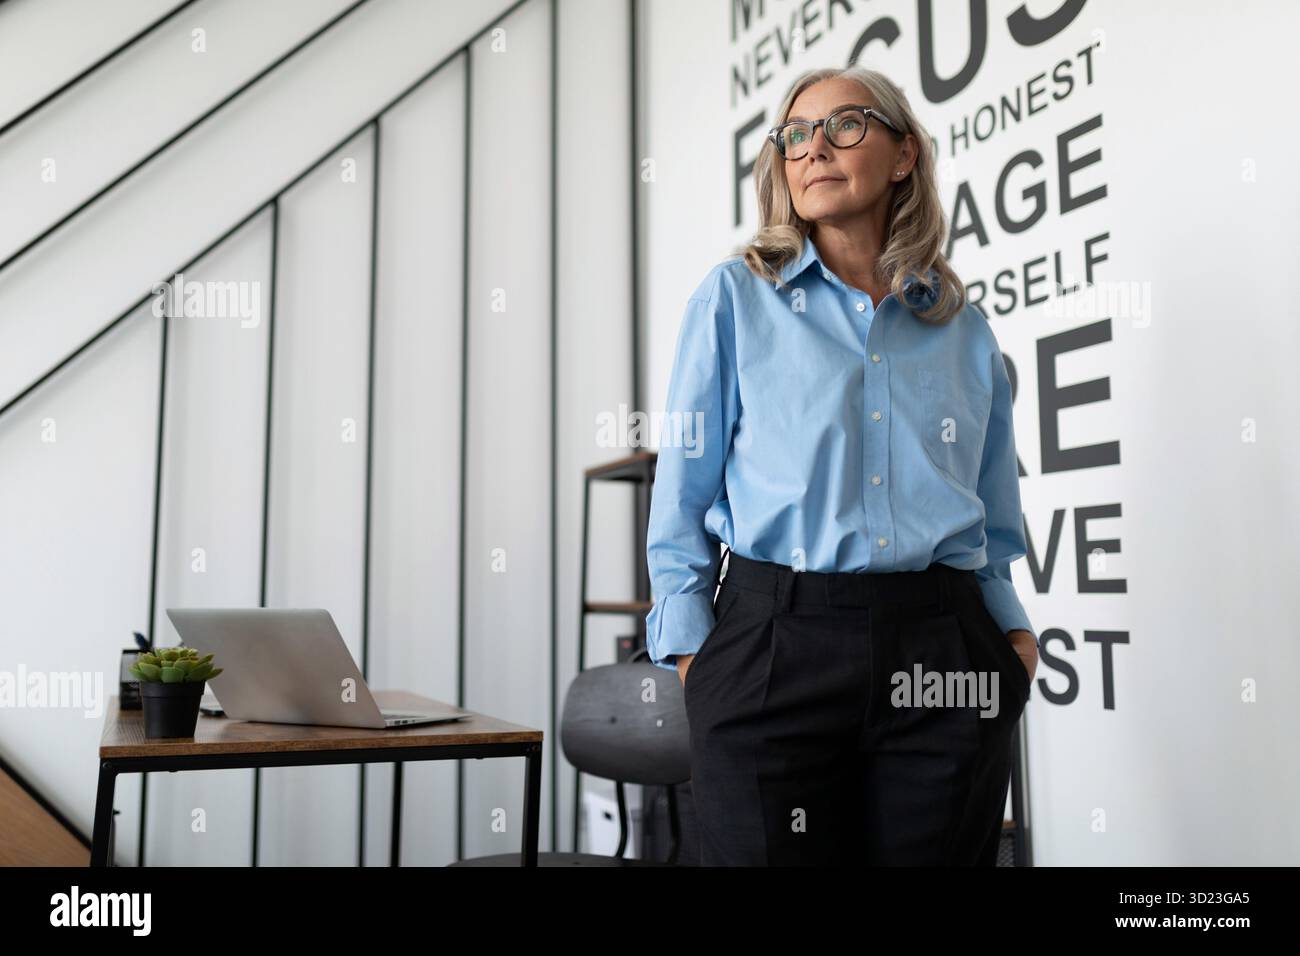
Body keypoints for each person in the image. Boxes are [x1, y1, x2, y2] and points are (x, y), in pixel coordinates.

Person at [644, 65, 1039, 866]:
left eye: (844, 125)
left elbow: (990, 520)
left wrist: (1013, 642)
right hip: (774, 646)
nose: (813, 148)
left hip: (944, 653)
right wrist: (698, 659)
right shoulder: (733, 299)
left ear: (904, 156)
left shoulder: (964, 331)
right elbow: (680, 498)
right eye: (794, 135)